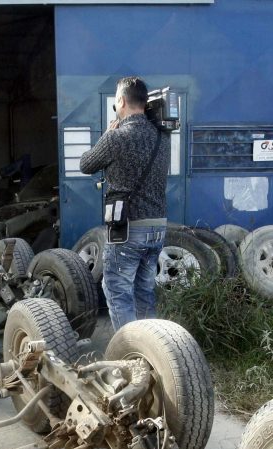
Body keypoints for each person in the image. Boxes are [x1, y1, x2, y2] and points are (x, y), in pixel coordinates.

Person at [79, 76, 170, 331]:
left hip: (128, 229)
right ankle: (151, 348)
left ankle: (128, 353)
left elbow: (86, 164)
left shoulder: (116, 138)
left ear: (120, 101)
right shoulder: (162, 137)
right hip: (158, 226)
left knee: (117, 291)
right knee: (145, 292)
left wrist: (108, 134)